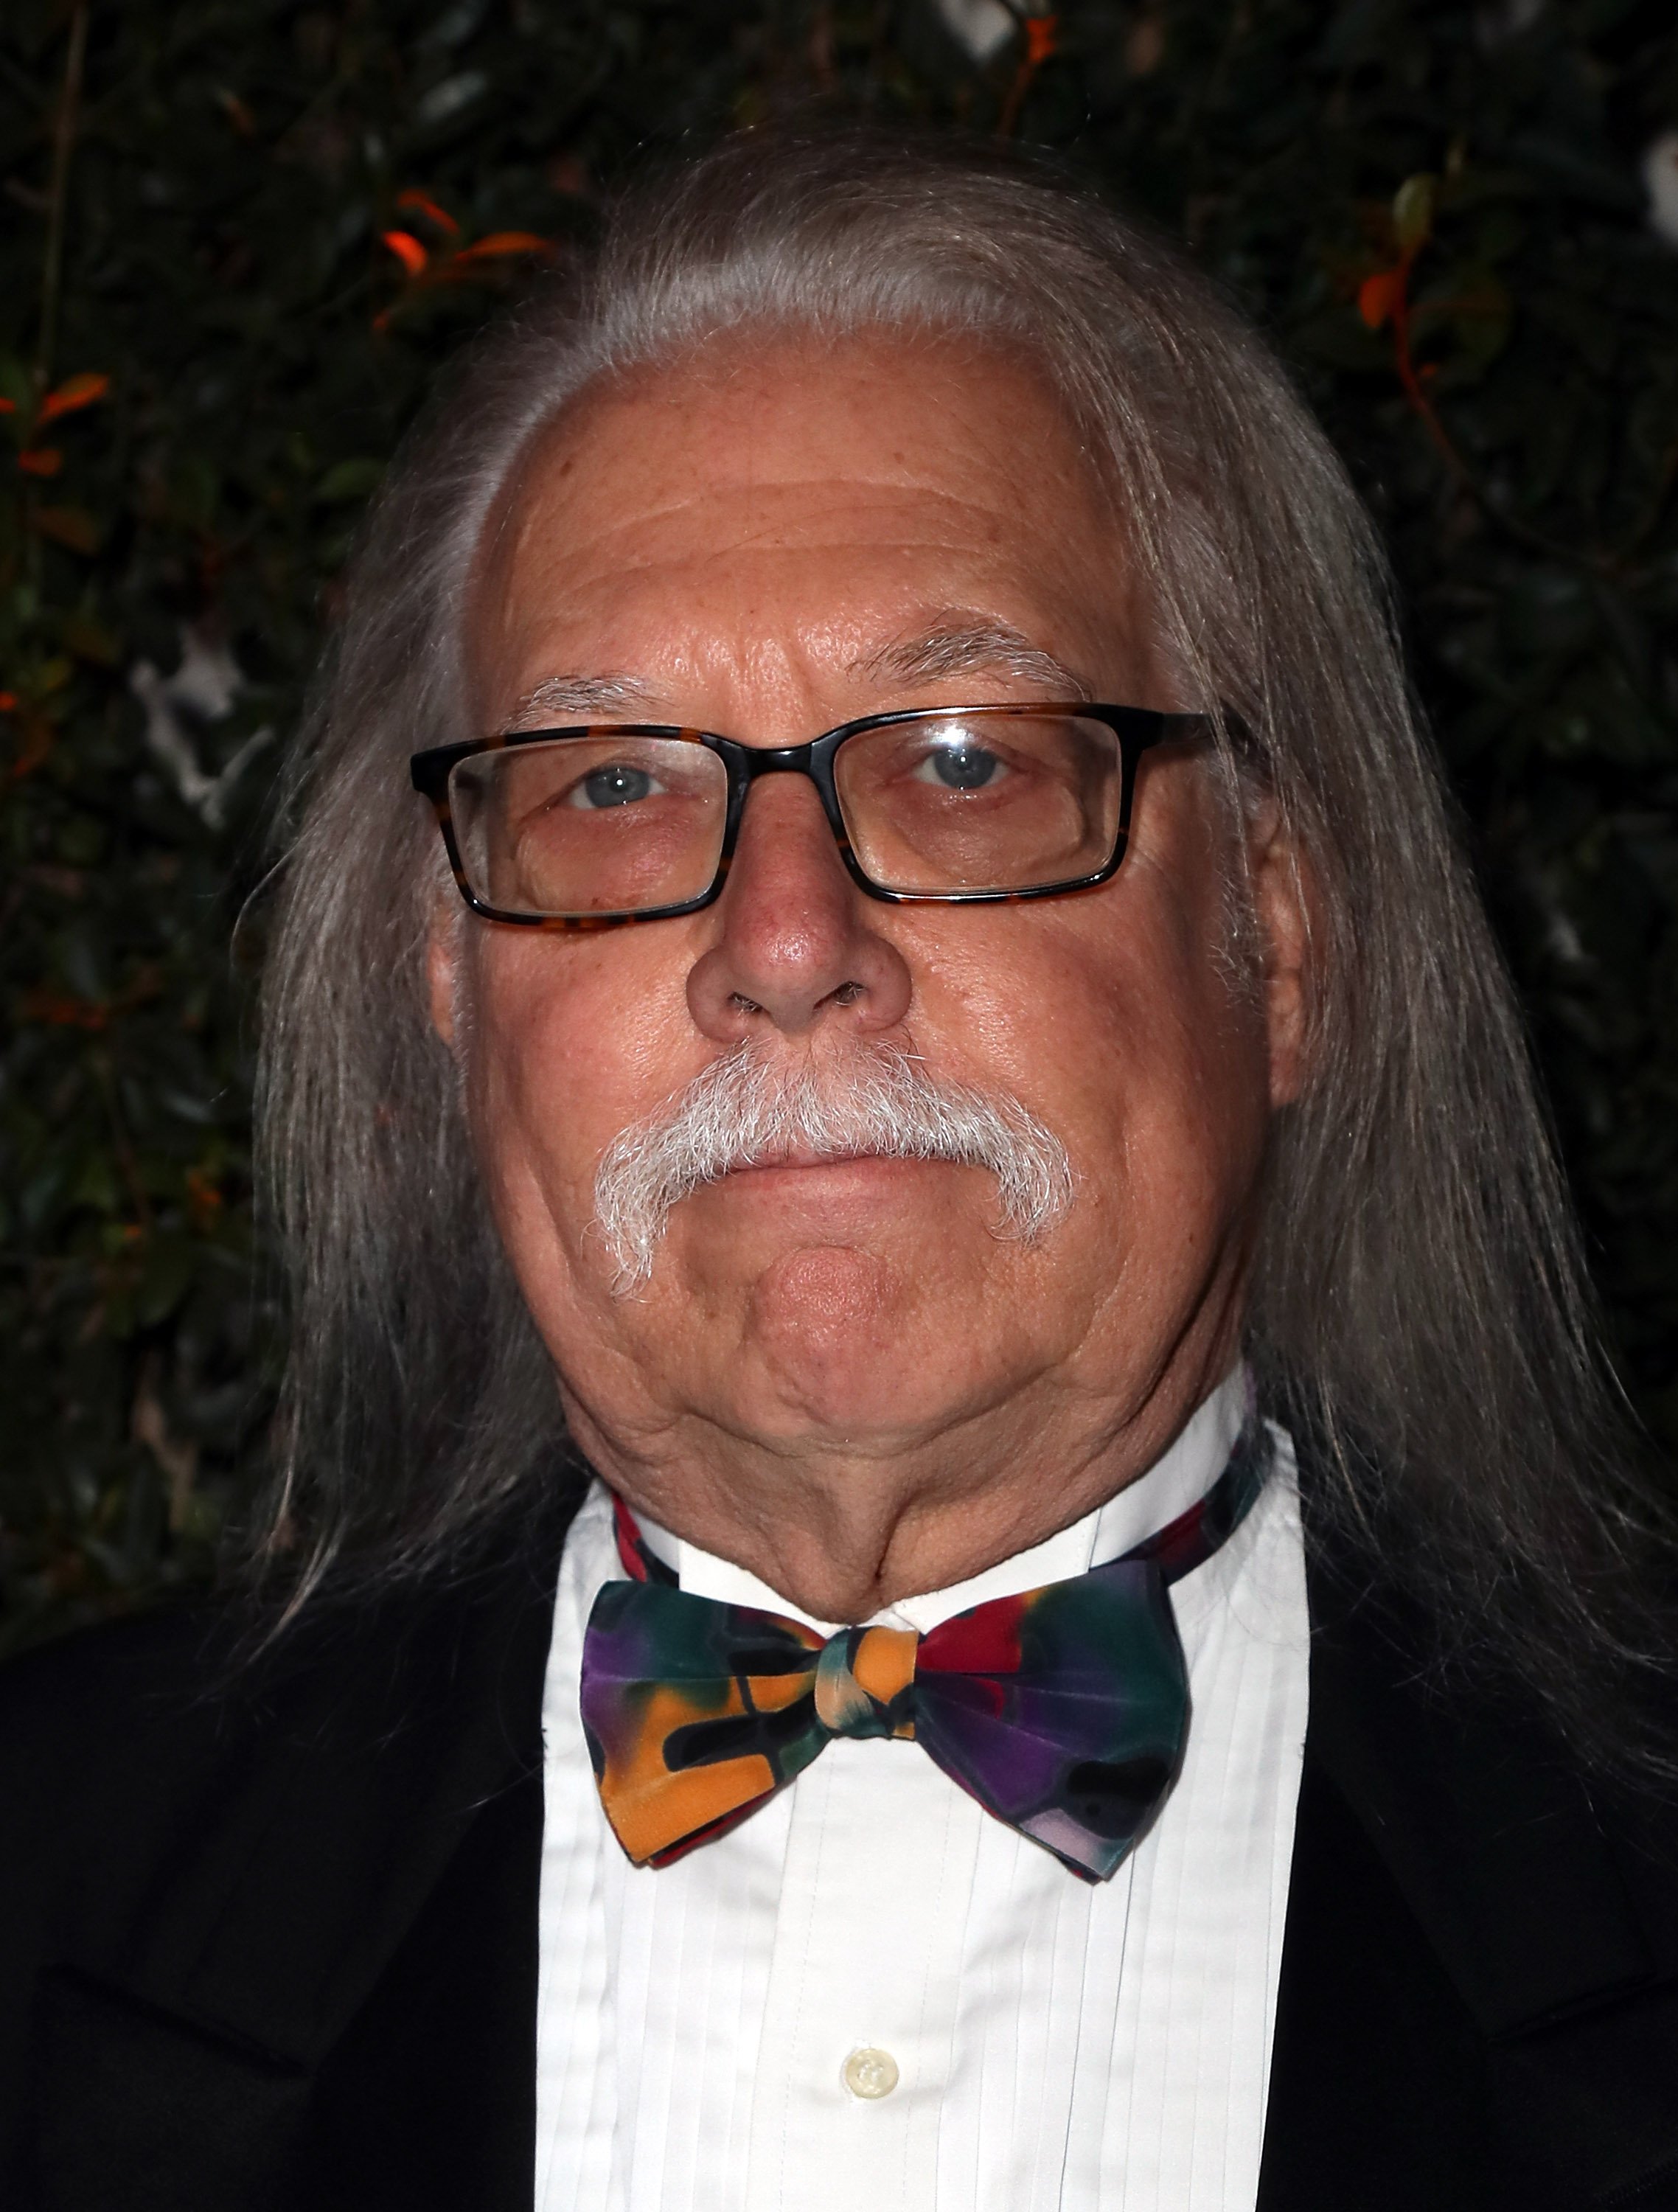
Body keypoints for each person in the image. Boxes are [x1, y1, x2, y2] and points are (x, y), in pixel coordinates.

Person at [3, 127, 1676, 2212]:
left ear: (1281, 936)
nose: (783, 947)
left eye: (964, 761)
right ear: (448, 989)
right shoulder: (47, 1889)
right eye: (611, 783)